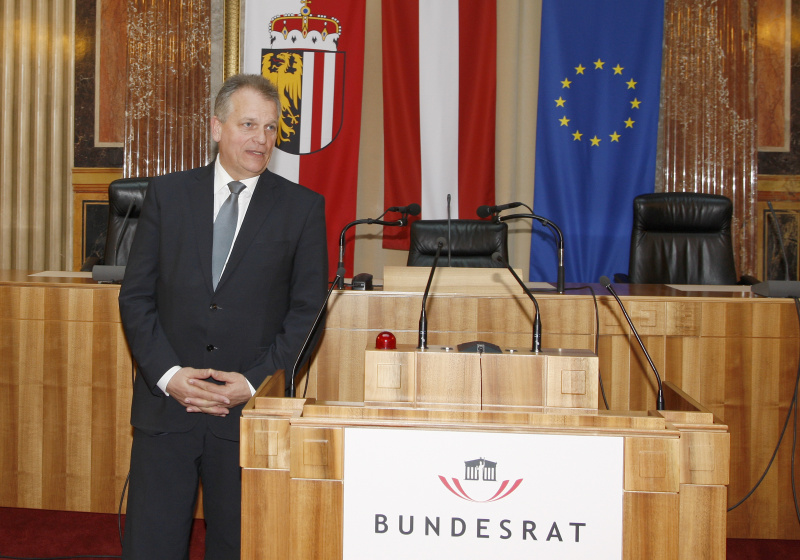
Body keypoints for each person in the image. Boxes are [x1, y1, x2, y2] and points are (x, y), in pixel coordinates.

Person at [118, 73, 328, 559]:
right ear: (217, 127)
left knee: (239, 546)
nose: (261, 139)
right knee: (152, 546)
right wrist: (169, 376)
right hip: (166, 408)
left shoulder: (301, 208)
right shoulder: (167, 195)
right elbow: (136, 297)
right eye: (249, 124)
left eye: (271, 129)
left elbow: (307, 315)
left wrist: (253, 382)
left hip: (247, 416)